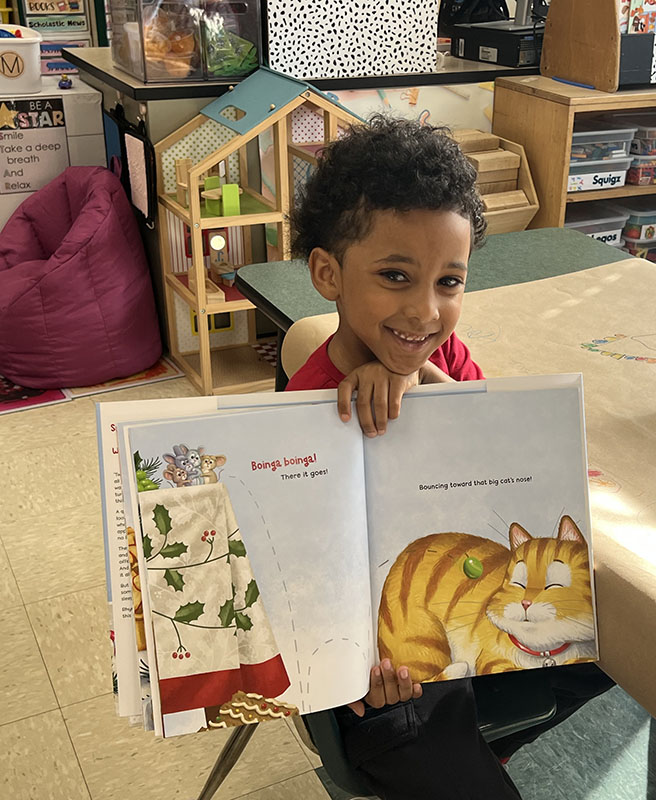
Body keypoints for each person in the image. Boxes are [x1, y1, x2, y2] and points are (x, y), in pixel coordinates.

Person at [285, 115, 614, 799]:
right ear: (327, 273)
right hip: (384, 687)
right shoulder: (307, 408)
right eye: (396, 275)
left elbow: (495, 440)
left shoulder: (443, 357)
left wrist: (415, 377)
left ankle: (484, 744)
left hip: (475, 625)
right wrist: (358, 666)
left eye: (450, 282)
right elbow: (305, 583)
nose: (425, 311)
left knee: (614, 649)